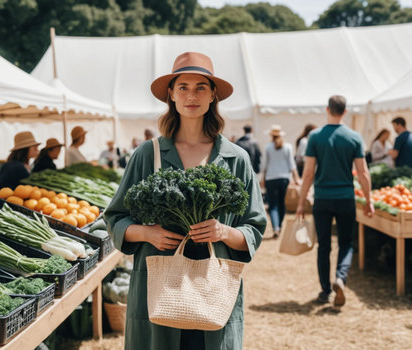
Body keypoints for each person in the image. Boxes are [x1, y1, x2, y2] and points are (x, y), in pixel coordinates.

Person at [104, 52, 266, 350]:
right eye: (183, 87)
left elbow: (254, 227)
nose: (192, 95)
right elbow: (116, 217)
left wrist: (224, 232)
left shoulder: (236, 159)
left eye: (201, 87)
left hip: (214, 291)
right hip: (159, 288)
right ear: (171, 95)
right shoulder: (147, 154)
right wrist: (147, 233)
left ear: (213, 94)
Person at [296, 95, 374, 307]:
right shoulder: (354, 137)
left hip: (322, 198)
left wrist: (301, 202)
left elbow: (309, 173)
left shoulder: (315, 137)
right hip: (346, 198)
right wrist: (369, 200)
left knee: (324, 246)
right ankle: (340, 277)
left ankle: (325, 291)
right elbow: (363, 173)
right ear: (345, 112)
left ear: (327, 109)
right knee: (346, 243)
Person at [260, 125, 300, 239]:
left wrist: (262, 178)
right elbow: (292, 164)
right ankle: (280, 225)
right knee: (282, 203)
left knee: (273, 205)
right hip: (284, 178)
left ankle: (276, 227)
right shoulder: (287, 147)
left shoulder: (268, 147)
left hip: (271, 178)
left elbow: (265, 165)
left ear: (271, 136)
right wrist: (296, 178)